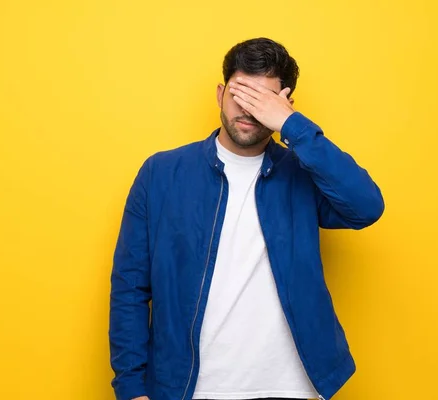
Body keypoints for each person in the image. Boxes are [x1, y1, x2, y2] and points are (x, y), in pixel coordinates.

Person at [109, 37, 384, 400]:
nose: (248, 109)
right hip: (190, 388)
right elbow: (130, 286)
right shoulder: (162, 173)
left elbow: (366, 206)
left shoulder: (302, 173)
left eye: (264, 99)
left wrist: (292, 126)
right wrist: (131, 387)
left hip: (291, 387)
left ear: (285, 104)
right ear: (221, 93)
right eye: (240, 94)